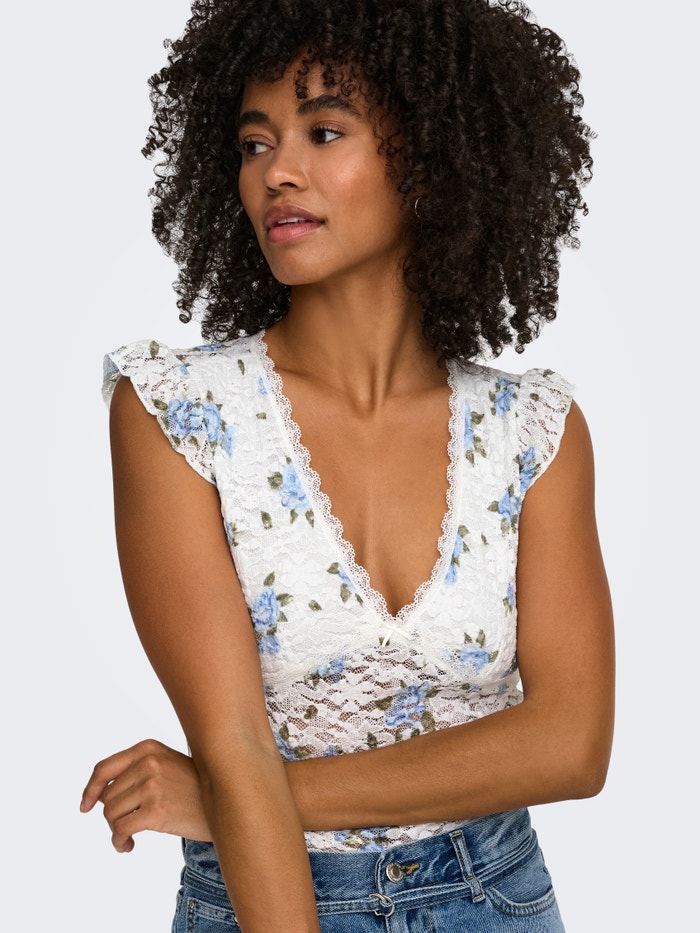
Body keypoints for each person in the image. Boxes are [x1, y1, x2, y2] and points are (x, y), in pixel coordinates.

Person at [81, 1, 615, 930]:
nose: (276, 171)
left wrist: (224, 796)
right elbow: (235, 743)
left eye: (323, 132)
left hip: (494, 897)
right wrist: (235, 785)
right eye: (254, 144)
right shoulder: (180, 413)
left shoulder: (532, 431)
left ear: (432, 155)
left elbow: (572, 743)